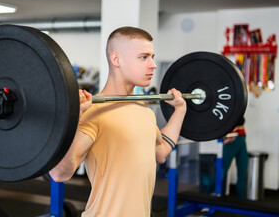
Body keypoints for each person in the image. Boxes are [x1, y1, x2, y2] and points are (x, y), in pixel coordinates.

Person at [49, 26, 186, 216]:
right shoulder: (94, 113)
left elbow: (161, 152)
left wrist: (180, 111)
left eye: (152, 57)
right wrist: (72, 120)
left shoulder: (143, 109)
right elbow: (59, 174)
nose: (153, 65)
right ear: (116, 59)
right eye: (144, 57)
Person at [223, 116, 248, 199]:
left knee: (242, 174)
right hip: (231, 141)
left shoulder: (239, 107)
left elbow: (240, 121)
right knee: (222, 171)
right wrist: (227, 137)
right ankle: (205, 195)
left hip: (241, 139)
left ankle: (241, 201)